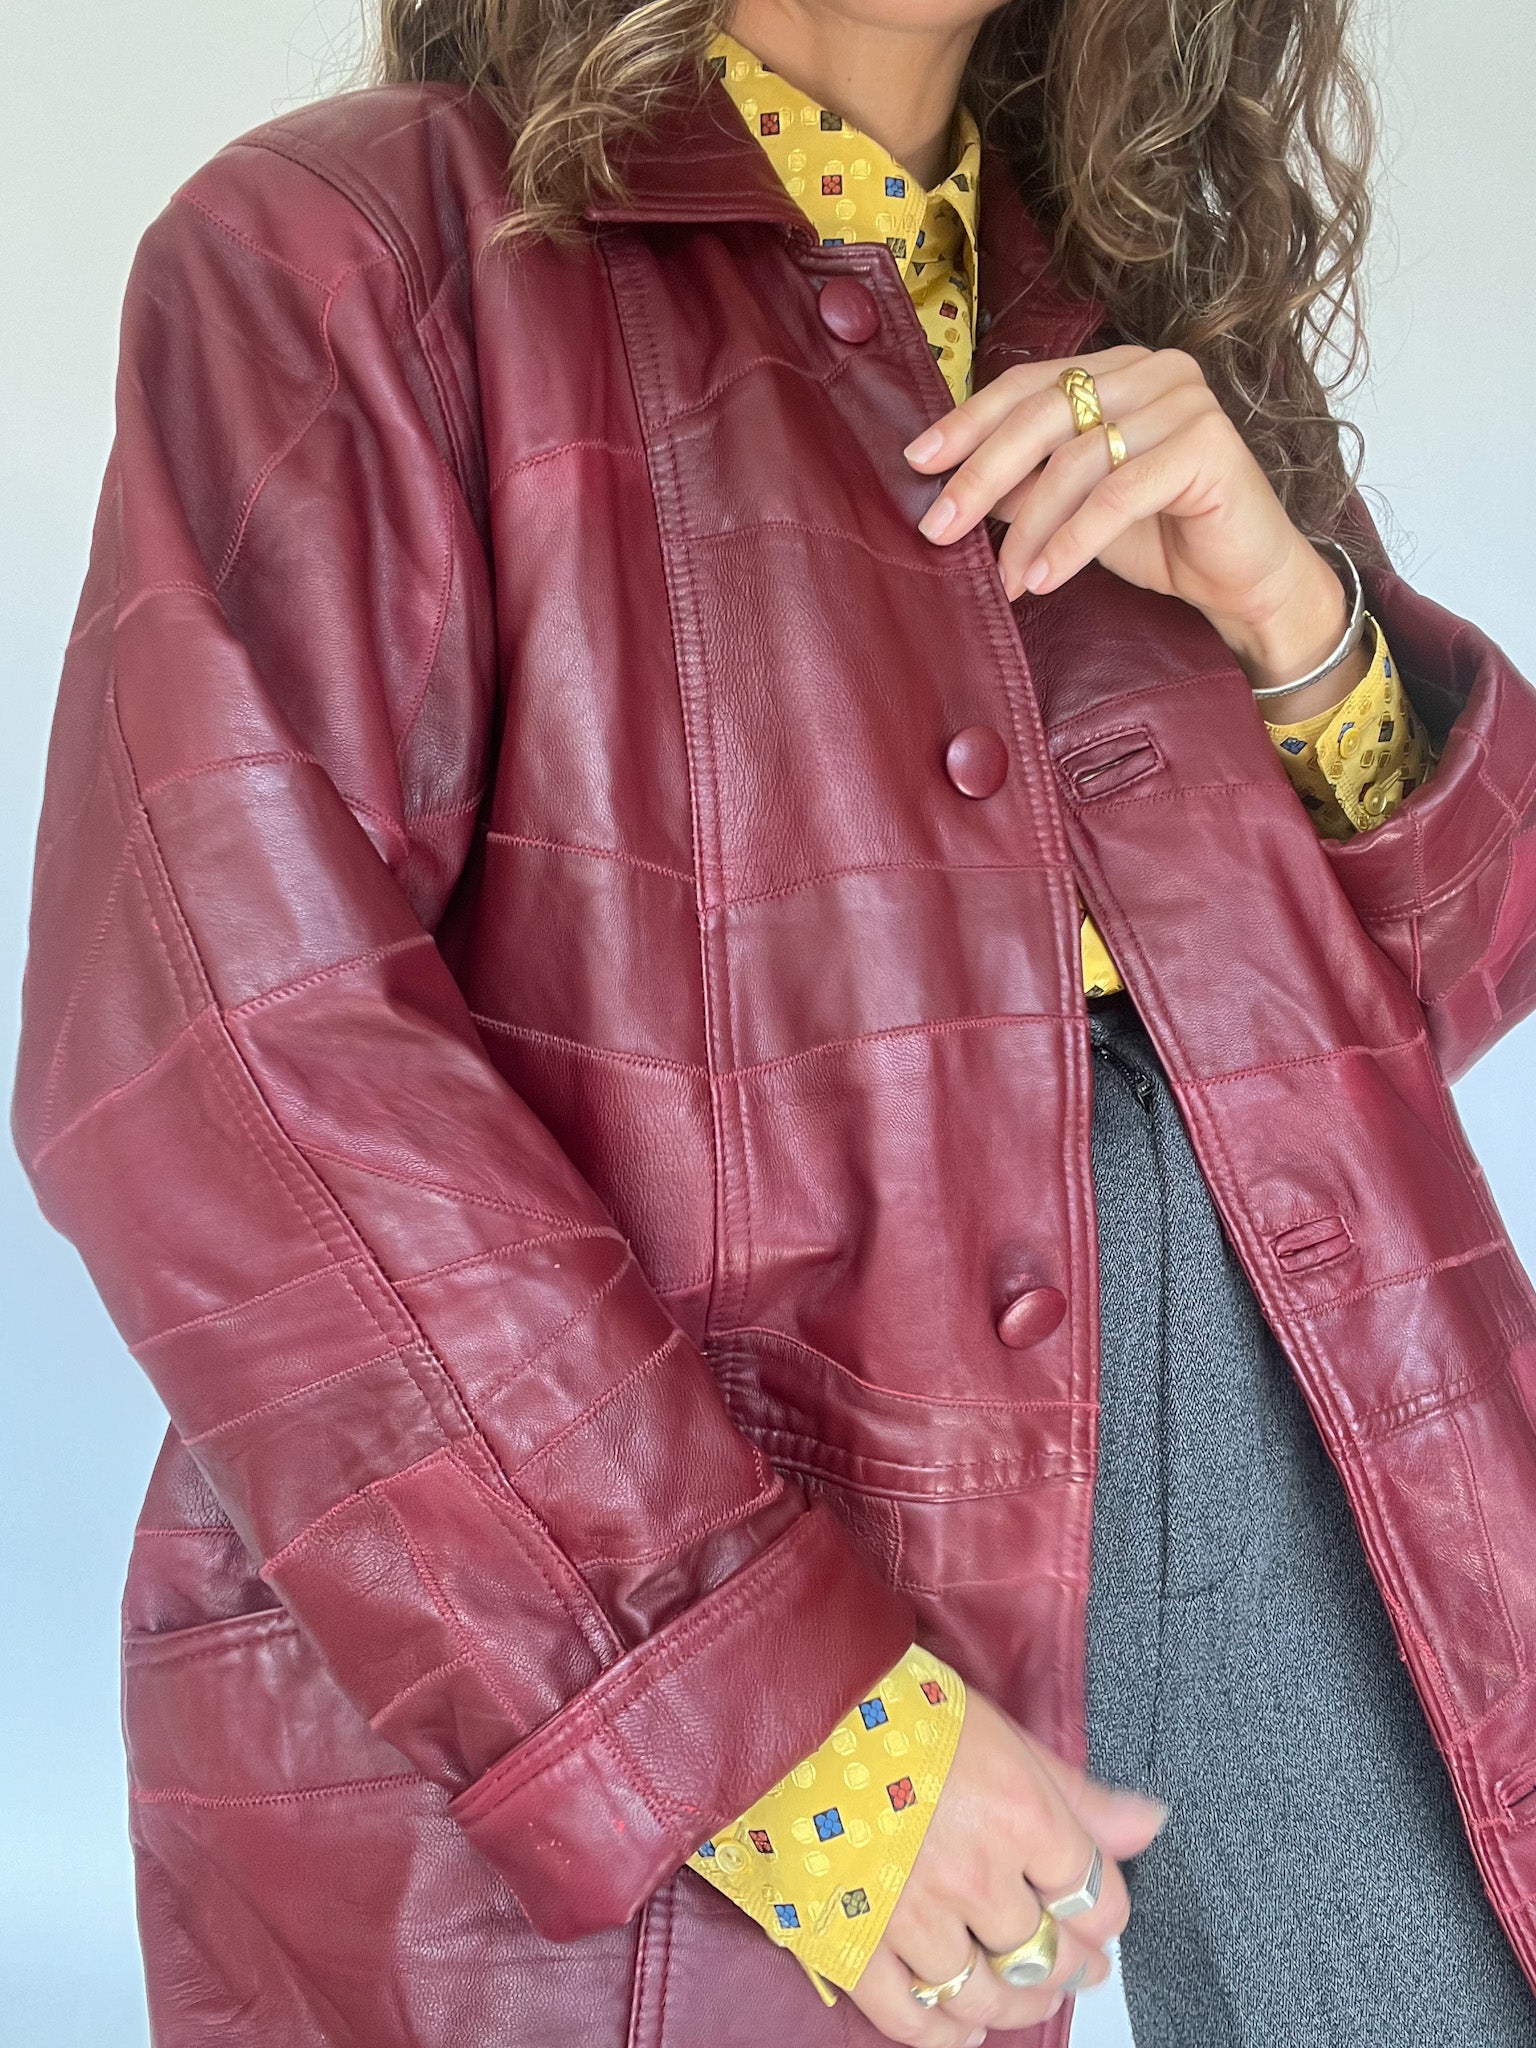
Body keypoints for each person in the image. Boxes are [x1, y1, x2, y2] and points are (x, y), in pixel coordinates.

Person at [14, 0, 1536, 2042]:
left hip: (1309, 1424)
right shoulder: (360, 251)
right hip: (712, 1482)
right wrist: (768, 1715)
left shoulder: (1124, 308)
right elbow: (222, 1060)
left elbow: (1444, 990)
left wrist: (1300, 626)